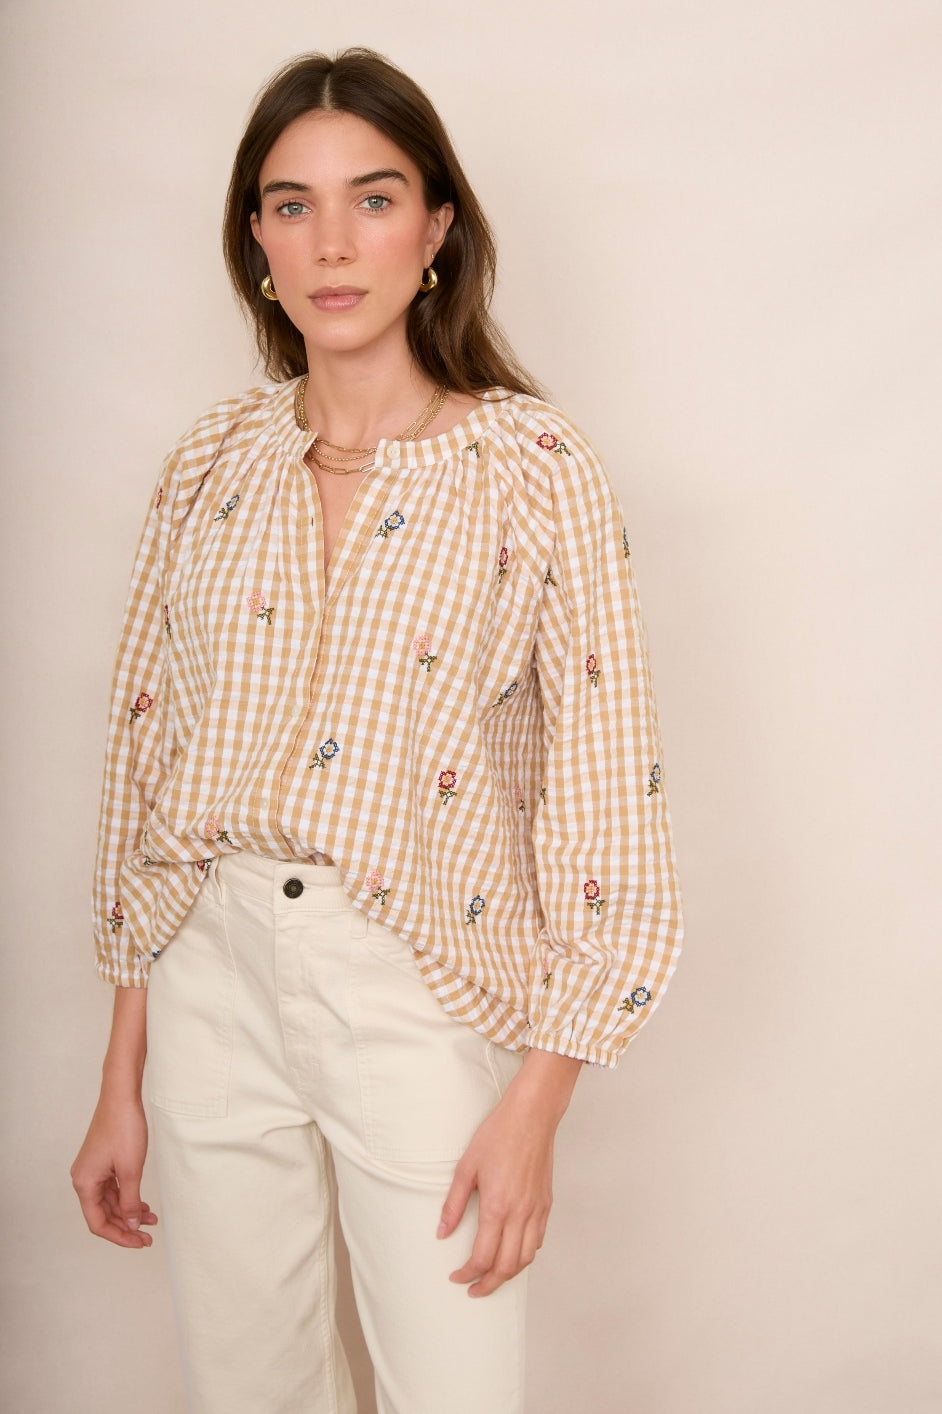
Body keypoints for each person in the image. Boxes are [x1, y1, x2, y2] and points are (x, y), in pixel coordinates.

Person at [71, 47, 683, 1414]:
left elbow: (601, 799)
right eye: (291, 205)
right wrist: (123, 1077)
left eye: (375, 198)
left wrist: (535, 1107)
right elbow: (144, 763)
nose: (333, 242)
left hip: (418, 983)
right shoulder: (209, 464)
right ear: (256, 240)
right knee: (249, 1393)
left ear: (437, 228)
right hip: (209, 975)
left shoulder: (531, 469)